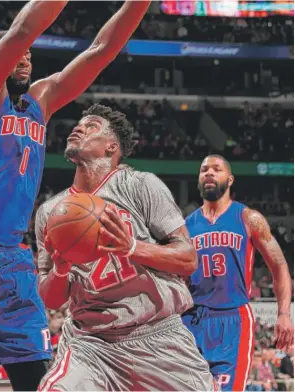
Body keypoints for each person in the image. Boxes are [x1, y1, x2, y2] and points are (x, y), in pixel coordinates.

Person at [0, 1, 152, 390]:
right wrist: (17, 41)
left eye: (29, 57)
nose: (25, 60)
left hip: (13, 257)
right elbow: (21, 32)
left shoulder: (39, 102)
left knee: (36, 378)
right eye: (16, 57)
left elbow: (102, 49)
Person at [35, 104, 216, 391]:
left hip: (158, 336)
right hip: (91, 344)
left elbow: (188, 259)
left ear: (111, 147)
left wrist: (132, 247)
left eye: (91, 126)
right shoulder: (50, 213)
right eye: (78, 124)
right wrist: (60, 270)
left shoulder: (141, 186)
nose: (78, 127)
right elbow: (51, 299)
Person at [183, 155, 294, 391]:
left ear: (230, 179)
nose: (209, 173)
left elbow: (280, 266)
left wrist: (284, 313)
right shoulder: (185, 226)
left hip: (232, 318)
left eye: (216, 169)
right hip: (191, 318)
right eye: (204, 170)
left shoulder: (248, 219)